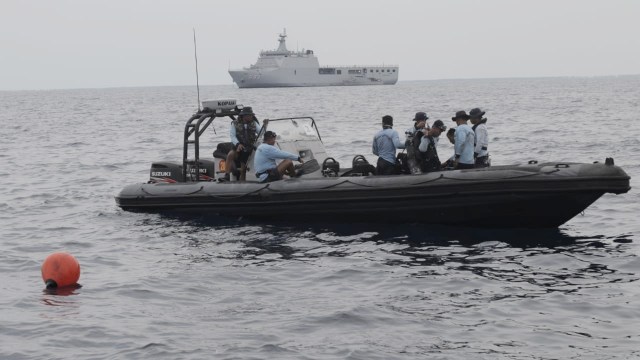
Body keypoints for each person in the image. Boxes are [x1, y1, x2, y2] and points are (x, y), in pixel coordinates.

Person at [225, 106, 262, 181]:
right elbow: (232, 136)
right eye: (249, 115)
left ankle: (243, 182)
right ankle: (227, 175)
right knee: (230, 155)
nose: (251, 117)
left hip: (249, 148)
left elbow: (261, 133)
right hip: (237, 146)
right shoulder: (234, 123)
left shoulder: (254, 123)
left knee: (243, 168)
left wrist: (265, 126)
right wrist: (238, 144)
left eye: (251, 115)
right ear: (244, 116)